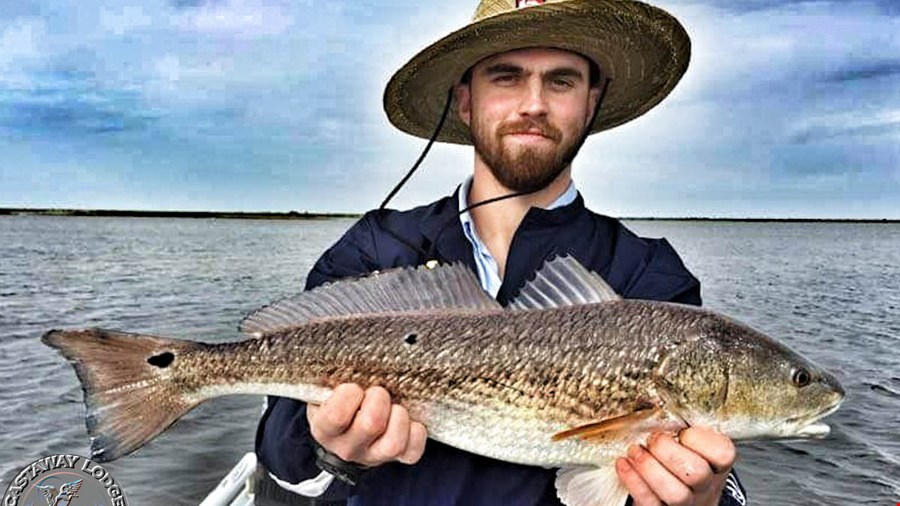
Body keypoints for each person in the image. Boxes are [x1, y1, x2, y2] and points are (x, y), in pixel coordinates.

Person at [256, 1, 748, 505]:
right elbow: (282, 459)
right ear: (466, 101)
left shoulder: (649, 275)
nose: (533, 104)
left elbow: (719, 474)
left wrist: (702, 496)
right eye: (506, 77)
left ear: (590, 102)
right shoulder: (376, 247)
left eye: (561, 81)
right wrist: (326, 451)